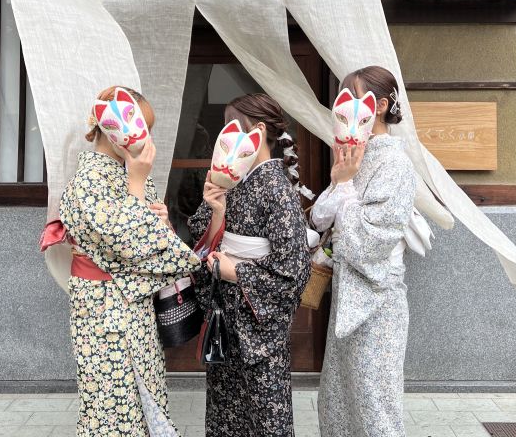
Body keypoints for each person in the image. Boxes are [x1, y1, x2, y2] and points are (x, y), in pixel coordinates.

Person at [59, 86, 200, 437]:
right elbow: (131, 244)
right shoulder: (90, 179)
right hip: (105, 306)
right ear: (113, 127)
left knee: (142, 399)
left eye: (147, 129)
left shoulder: (128, 172)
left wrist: (160, 220)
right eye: (141, 127)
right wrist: (136, 185)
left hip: (132, 304)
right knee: (113, 405)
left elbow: (151, 239)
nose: (145, 138)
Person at [188, 93, 311, 437]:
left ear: (257, 131)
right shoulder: (232, 181)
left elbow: (294, 269)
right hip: (226, 317)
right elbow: (201, 237)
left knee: (265, 416)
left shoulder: (277, 188)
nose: (224, 135)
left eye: (232, 126)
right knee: (226, 413)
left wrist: (236, 271)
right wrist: (216, 212)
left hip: (258, 326)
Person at [311, 66, 415, 437]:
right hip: (347, 293)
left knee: (375, 403)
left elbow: (373, 239)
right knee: (337, 399)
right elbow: (321, 218)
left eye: (352, 98)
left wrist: (344, 187)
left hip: (378, 298)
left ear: (380, 106)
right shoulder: (355, 154)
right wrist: (341, 181)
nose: (343, 108)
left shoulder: (396, 163)